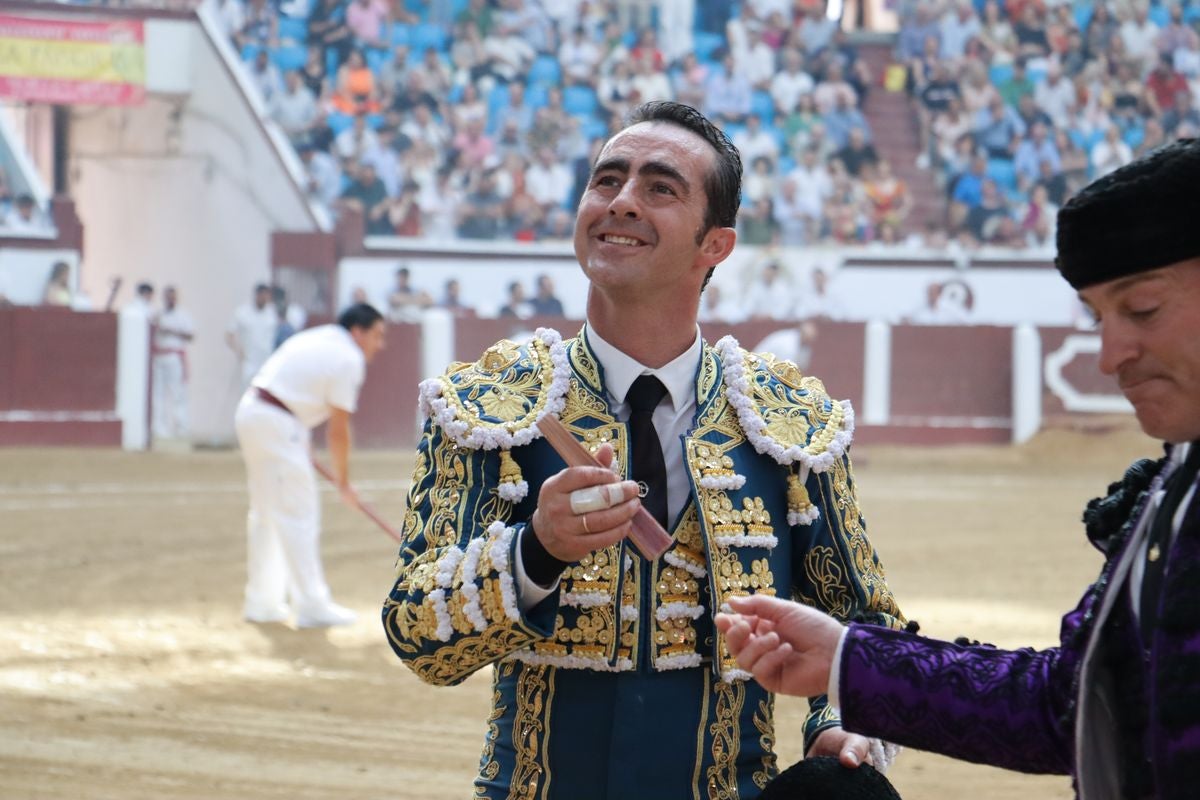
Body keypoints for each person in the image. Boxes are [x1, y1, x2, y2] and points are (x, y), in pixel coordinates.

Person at [382, 101, 904, 798]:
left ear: (715, 245)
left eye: (660, 188)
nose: (622, 201)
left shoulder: (786, 423)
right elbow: (419, 639)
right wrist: (535, 549)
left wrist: (840, 724)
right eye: (606, 181)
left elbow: (867, 623)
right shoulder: (491, 406)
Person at [716, 138, 1200, 800]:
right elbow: (1075, 703)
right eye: (1097, 318)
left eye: (1142, 309)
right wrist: (848, 661)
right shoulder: (1176, 487)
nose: (1110, 354)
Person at [236, 302, 386, 628]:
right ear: (357, 332)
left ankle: (262, 602)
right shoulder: (349, 358)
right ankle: (312, 605)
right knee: (298, 514)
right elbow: (338, 429)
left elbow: (295, 387)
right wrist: (344, 482)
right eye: (376, 335)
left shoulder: (319, 338)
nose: (380, 343)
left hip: (256, 412)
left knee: (266, 514)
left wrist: (298, 437)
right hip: (278, 421)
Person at [151, 286, 195, 441]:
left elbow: (191, 336)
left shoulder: (183, 315)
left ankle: (181, 427)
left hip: (175, 357)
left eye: (173, 297)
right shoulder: (157, 314)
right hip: (159, 356)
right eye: (168, 297)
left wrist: (171, 331)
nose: (170, 300)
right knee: (158, 394)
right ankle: (159, 428)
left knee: (178, 393)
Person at [226, 283, 279, 390]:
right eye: (263, 295)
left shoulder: (272, 312)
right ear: (257, 295)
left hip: (267, 360)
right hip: (249, 361)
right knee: (248, 393)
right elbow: (229, 334)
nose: (265, 299)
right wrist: (238, 350)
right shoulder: (243, 312)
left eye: (267, 296)